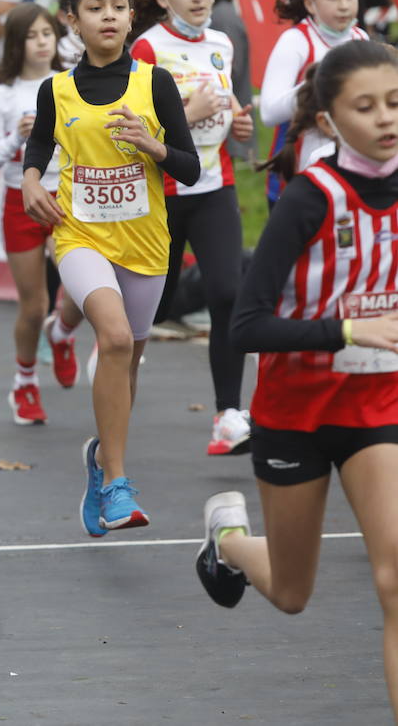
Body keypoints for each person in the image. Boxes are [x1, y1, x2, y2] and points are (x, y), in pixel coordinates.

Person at [200, 39, 398, 720]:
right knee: (291, 593)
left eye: (396, 103)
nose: (385, 118)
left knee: (395, 579)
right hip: (296, 413)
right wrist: (347, 330)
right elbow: (244, 327)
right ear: (328, 121)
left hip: (378, 406)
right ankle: (227, 540)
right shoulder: (311, 200)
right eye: (365, 107)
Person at [21, 0, 199, 536]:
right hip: (80, 236)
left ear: (131, 15)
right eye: (94, 7)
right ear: (71, 19)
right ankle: (119, 484)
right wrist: (30, 181)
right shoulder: (57, 90)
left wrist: (154, 146)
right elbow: (39, 142)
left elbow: (190, 167)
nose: (109, 16)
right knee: (115, 339)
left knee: (129, 365)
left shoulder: (157, 83)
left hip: (147, 242)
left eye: (118, 6)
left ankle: (99, 462)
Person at [128, 0, 256, 454]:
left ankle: (227, 416)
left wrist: (235, 121)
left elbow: (225, 106)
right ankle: (116, 335)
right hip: (160, 190)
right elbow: (131, 128)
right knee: (155, 304)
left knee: (228, 293)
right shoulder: (146, 48)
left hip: (213, 184)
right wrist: (189, 110)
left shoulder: (223, 42)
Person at [0, 3, 84, 424]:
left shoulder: (70, 82)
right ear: (15, 44)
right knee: (34, 305)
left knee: (82, 289)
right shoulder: (2, 94)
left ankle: (62, 334)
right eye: (31, 36)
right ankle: (24, 382)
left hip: (69, 196)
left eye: (47, 34)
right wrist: (14, 139)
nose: (41, 43)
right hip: (20, 196)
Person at [261, 0, 368, 204]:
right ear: (310, 3)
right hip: (296, 178)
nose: (344, 5)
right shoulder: (296, 40)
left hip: (350, 175)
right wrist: (317, 85)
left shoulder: (361, 38)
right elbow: (268, 112)